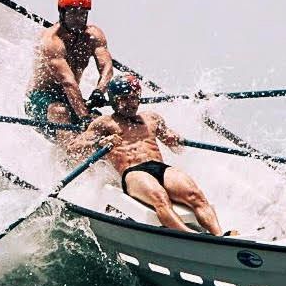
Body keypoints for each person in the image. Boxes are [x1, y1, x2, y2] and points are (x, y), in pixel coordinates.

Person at [69, 75, 230, 236]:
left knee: (196, 195)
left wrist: (175, 139)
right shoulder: (104, 123)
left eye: (134, 98)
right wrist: (100, 143)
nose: (130, 103)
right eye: (124, 99)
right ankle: (193, 237)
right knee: (160, 197)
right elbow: (74, 148)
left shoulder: (151, 118)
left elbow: (175, 146)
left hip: (161, 168)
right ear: (113, 100)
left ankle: (220, 236)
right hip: (133, 172)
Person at [27, 0, 115, 145]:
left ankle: (105, 166)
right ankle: (68, 160)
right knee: (61, 112)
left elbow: (107, 68)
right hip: (40, 98)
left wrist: (99, 91)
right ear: (62, 13)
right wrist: (84, 118)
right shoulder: (52, 41)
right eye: (73, 13)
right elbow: (68, 82)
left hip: (70, 99)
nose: (78, 18)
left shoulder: (93, 35)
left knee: (101, 121)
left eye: (83, 14)